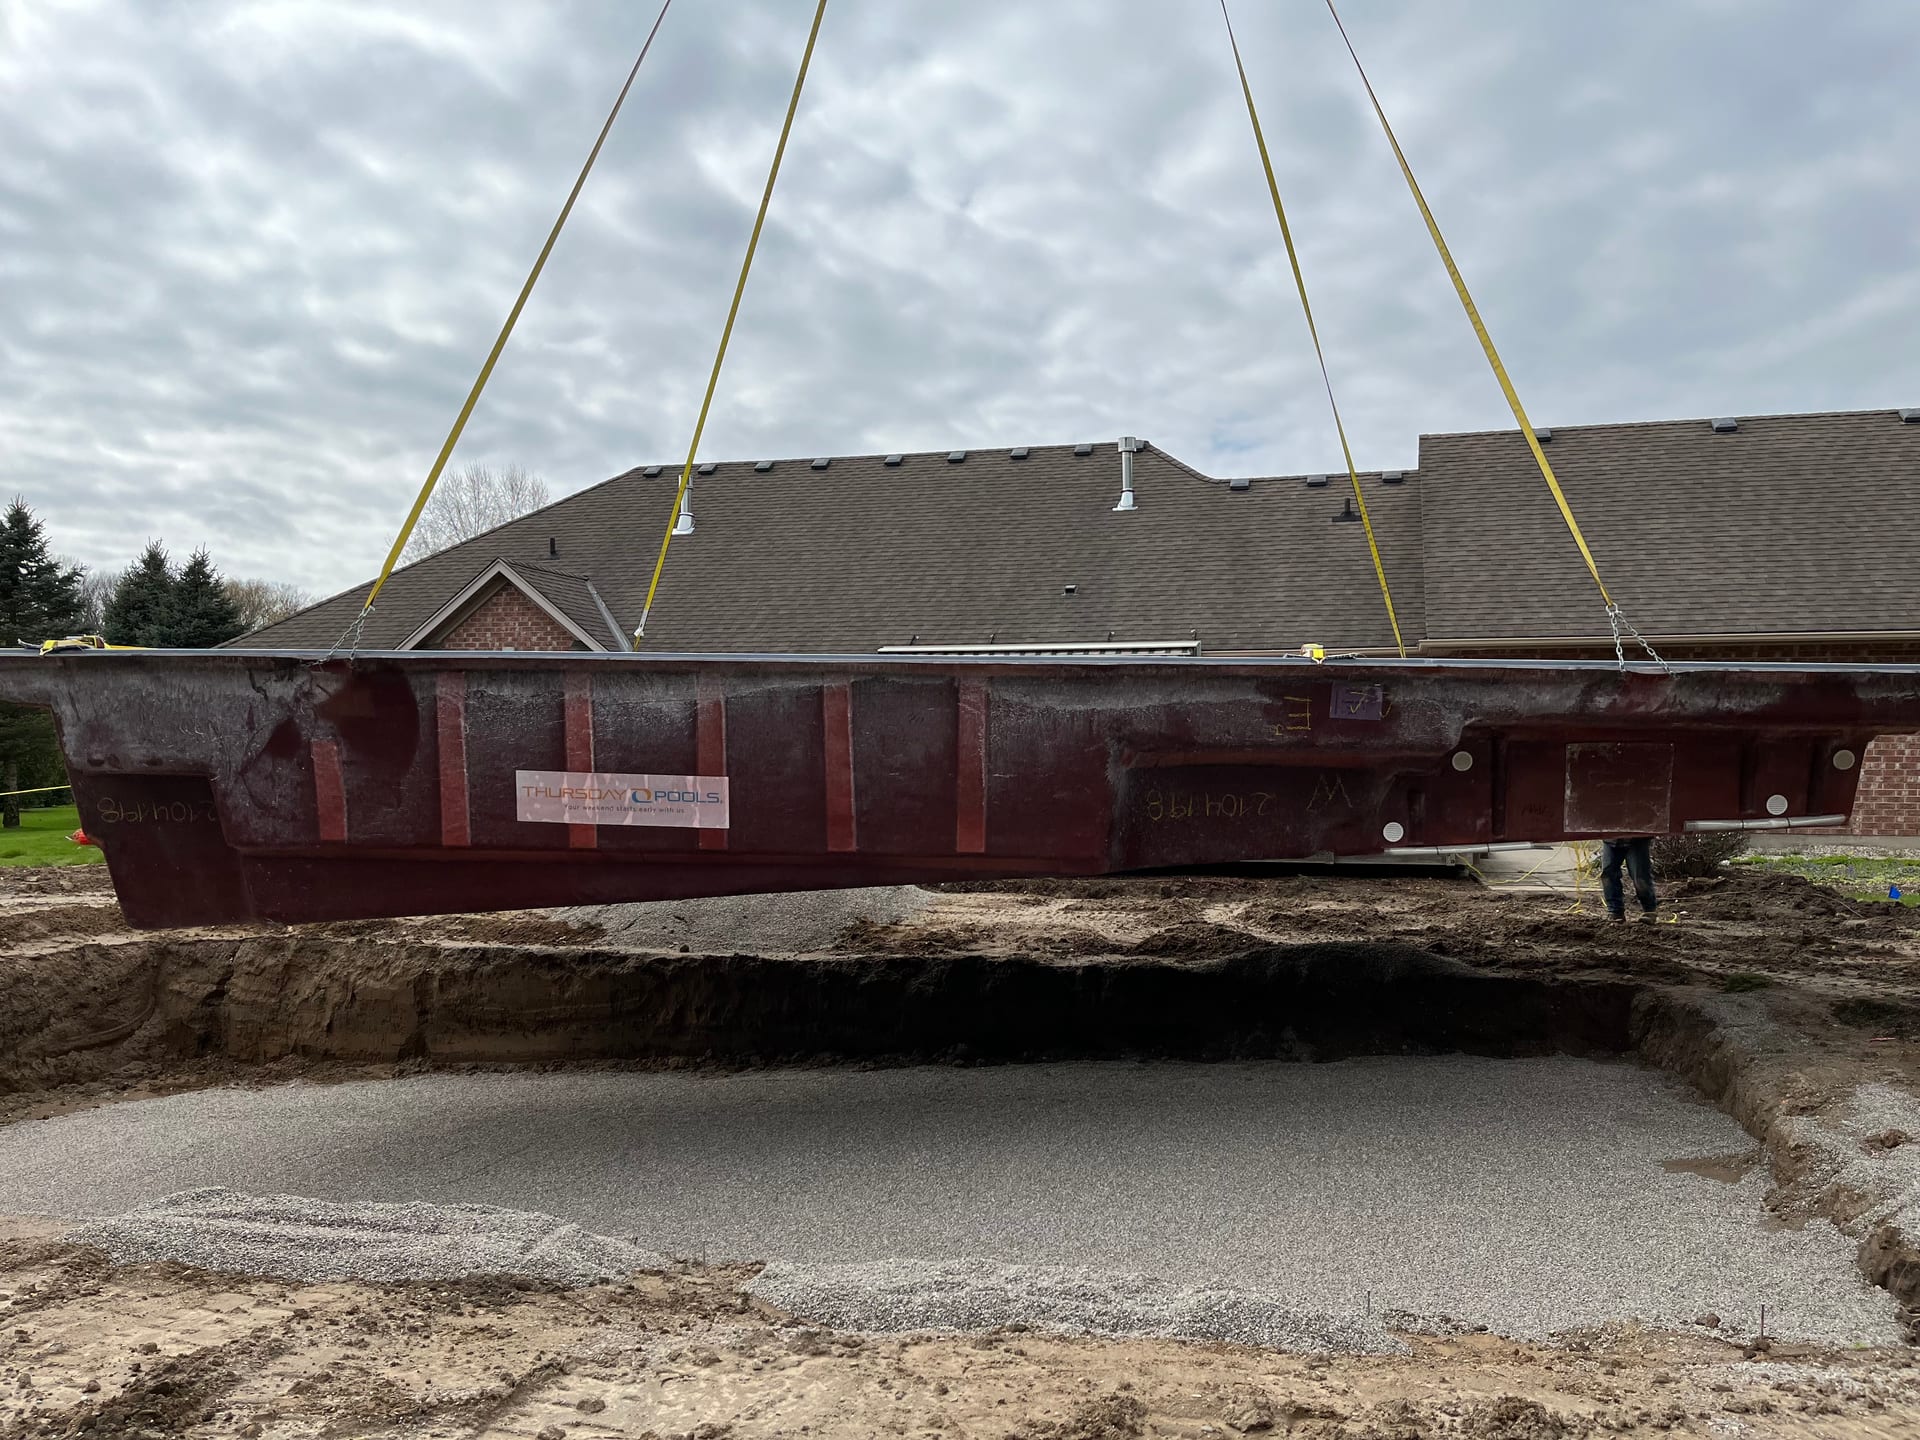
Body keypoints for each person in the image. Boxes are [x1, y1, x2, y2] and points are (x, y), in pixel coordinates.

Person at [1600, 836, 1657, 922]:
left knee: (1640, 877)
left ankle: (1649, 911)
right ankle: (1615, 912)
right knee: (1608, 875)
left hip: (1636, 839)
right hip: (1611, 838)